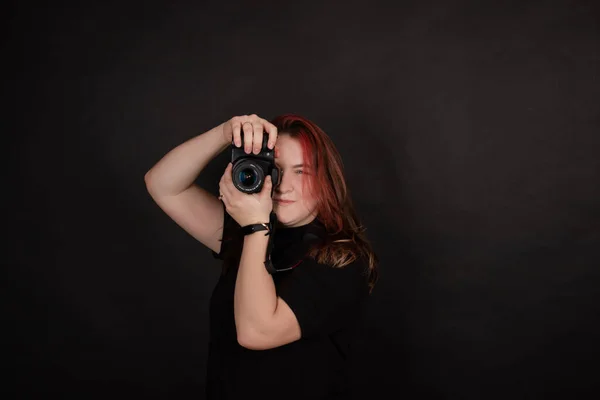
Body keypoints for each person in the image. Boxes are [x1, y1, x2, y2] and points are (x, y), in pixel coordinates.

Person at [144, 113, 379, 399]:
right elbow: (164, 186)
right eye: (275, 169)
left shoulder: (343, 259)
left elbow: (256, 333)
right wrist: (225, 133)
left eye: (302, 171)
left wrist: (256, 225)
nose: (284, 185)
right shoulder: (248, 232)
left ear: (326, 181)